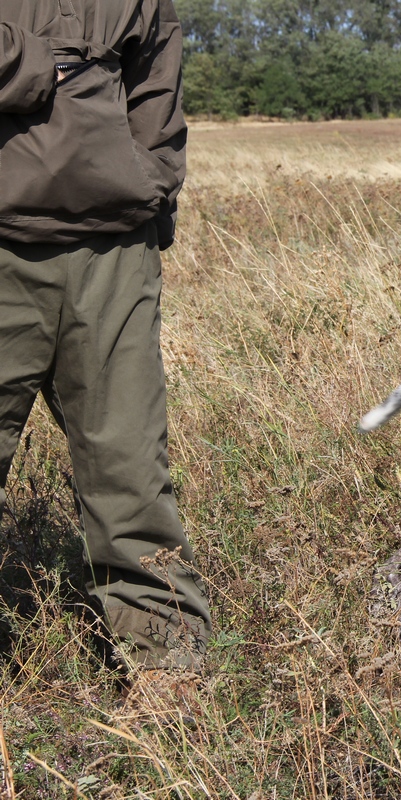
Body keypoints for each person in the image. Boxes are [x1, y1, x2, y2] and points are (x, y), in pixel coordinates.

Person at [0, 0, 211, 681]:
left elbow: (157, 90)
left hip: (113, 252)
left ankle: (166, 667)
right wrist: (40, 65)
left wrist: (150, 189)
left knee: (130, 470)